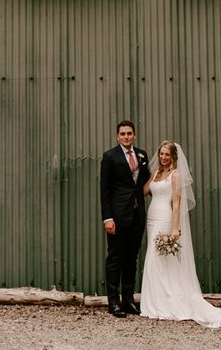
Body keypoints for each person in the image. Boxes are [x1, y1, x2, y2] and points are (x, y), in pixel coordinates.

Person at [140, 140, 221, 328]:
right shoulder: (156, 173)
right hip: (152, 218)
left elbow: (176, 203)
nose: (163, 158)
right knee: (154, 258)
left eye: (167, 155)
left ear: (173, 157)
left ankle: (168, 302)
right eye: (161, 154)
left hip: (165, 218)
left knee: (159, 258)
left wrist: (175, 228)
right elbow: (143, 191)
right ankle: (155, 301)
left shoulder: (175, 175)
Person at [100, 120, 151, 317]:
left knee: (131, 258)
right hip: (118, 216)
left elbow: (145, 182)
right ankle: (113, 302)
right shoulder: (110, 157)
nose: (126, 136)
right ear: (117, 136)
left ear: (134, 135)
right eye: (123, 134)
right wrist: (108, 218)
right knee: (115, 258)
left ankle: (128, 300)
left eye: (130, 133)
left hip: (137, 216)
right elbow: (105, 191)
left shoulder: (142, 155)